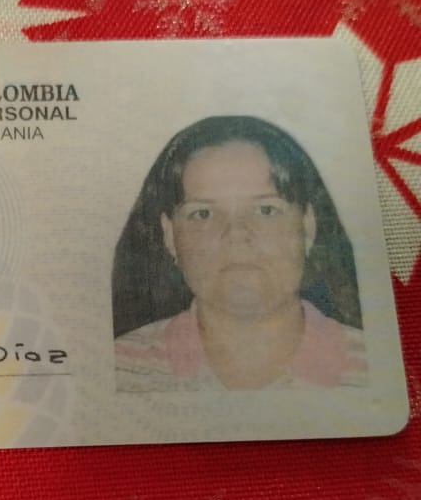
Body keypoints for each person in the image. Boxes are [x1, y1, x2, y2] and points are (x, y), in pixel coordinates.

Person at [113, 115, 367, 392]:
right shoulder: (118, 369)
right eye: (203, 213)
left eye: (266, 210)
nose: (236, 234)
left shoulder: (376, 367)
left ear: (307, 227)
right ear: (170, 236)